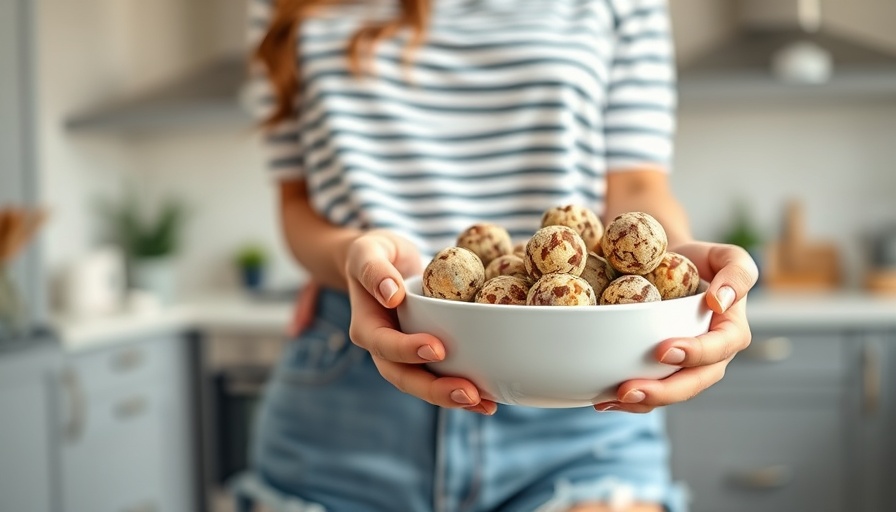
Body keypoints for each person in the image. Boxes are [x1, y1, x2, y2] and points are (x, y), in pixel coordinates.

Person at [234, 0, 759, 511]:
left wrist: (676, 274)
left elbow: (639, 186)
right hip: (355, 379)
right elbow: (297, 205)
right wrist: (355, 257)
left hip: (581, 383)